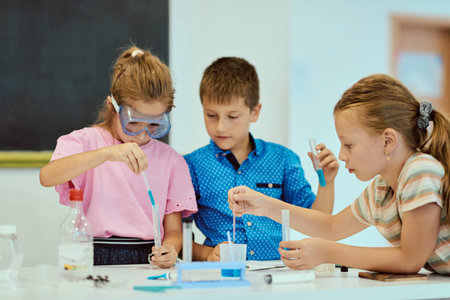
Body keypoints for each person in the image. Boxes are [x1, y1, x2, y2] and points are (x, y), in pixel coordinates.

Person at [229, 74, 450, 275]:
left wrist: (329, 252)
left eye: (349, 144)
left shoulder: (419, 171)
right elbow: (331, 227)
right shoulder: (381, 190)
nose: (342, 155)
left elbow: (410, 259)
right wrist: (264, 205)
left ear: (387, 141)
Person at [39, 46, 198, 268]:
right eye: (133, 122)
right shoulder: (87, 142)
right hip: (94, 256)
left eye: (154, 124)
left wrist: (171, 249)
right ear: (112, 106)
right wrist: (107, 153)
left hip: (148, 260)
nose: (143, 135)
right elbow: (48, 177)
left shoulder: (172, 162)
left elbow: (173, 229)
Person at [184, 57, 338, 261]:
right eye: (211, 115)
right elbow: (177, 235)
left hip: (277, 275)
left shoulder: (283, 159)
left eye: (232, 117)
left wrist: (326, 182)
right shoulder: (192, 165)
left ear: (254, 112)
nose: (220, 127)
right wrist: (206, 254)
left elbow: (318, 224)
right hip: (221, 275)